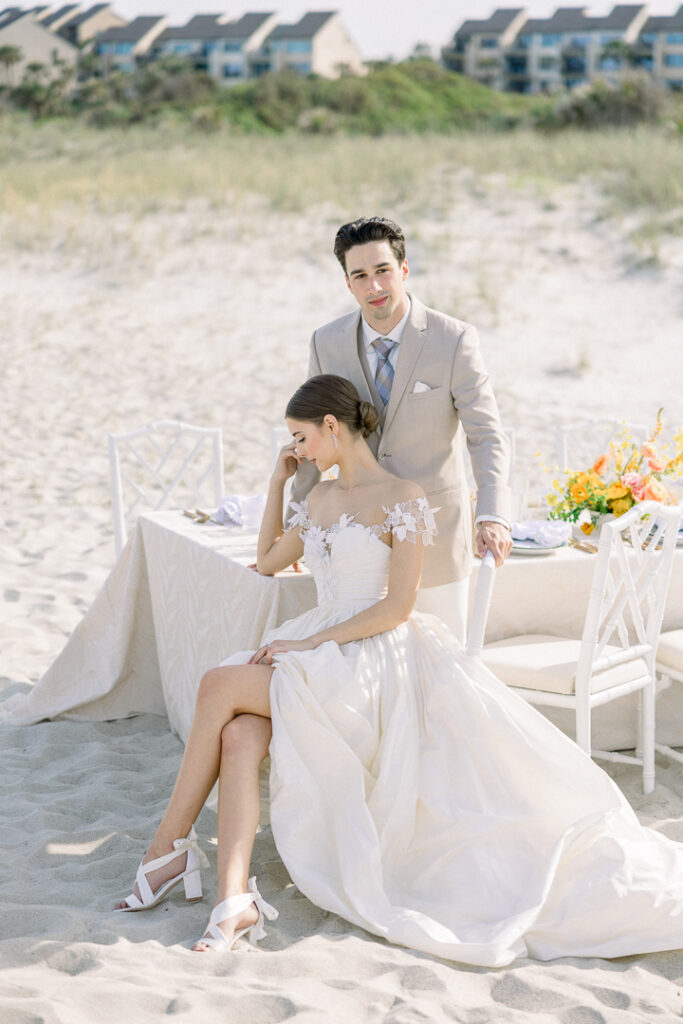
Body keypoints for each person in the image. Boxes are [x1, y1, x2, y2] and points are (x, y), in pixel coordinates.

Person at [116, 375, 683, 964]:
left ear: (332, 426)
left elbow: (397, 607)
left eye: (301, 437)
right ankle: (234, 898)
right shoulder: (319, 498)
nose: (299, 449)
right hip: (316, 641)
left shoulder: (404, 497)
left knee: (216, 684)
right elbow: (265, 562)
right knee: (238, 732)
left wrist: (312, 647)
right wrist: (276, 482)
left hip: (370, 654)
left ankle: (166, 849)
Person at [290, 215, 513, 644]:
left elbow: (485, 436)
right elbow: (312, 434)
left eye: (382, 271)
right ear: (347, 283)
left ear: (404, 270)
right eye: (360, 276)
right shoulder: (325, 343)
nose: (374, 287)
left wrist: (493, 516)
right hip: (356, 551)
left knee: (441, 674)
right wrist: (298, 523)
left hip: (437, 543)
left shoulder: (455, 340)